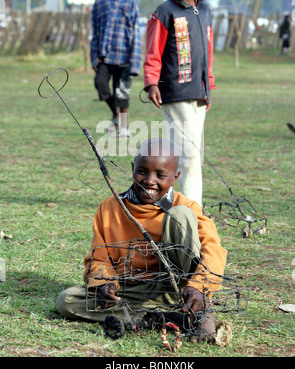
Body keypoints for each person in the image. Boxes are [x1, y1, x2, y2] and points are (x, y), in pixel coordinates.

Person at [57, 138, 227, 343]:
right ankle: (158, 318)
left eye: (160, 175)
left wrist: (198, 286)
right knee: (67, 300)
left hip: (175, 290)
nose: (149, 180)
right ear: (132, 169)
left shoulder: (187, 206)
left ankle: (195, 305)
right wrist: (104, 283)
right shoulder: (110, 207)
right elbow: (99, 257)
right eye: (142, 171)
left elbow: (212, 249)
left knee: (180, 215)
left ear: (175, 177)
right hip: (128, 291)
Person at [143, 0, 215, 207]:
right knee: (190, 155)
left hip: (199, 91)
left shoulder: (205, 9)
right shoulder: (164, 12)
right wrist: (152, 82)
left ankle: (167, 200)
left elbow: (208, 49)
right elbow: (153, 51)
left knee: (190, 154)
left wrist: (209, 84)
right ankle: (193, 211)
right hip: (175, 91)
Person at [90, 0, 142, 137]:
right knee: (101, 85)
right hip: (105, 56)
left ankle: (124, 126)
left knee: (122, 92)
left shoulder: (131, 2)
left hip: (124, 56)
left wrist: (134, 63)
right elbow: (95, 31)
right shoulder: (100, 1)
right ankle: (115, 115)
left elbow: (135, 32)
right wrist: (94, 56)